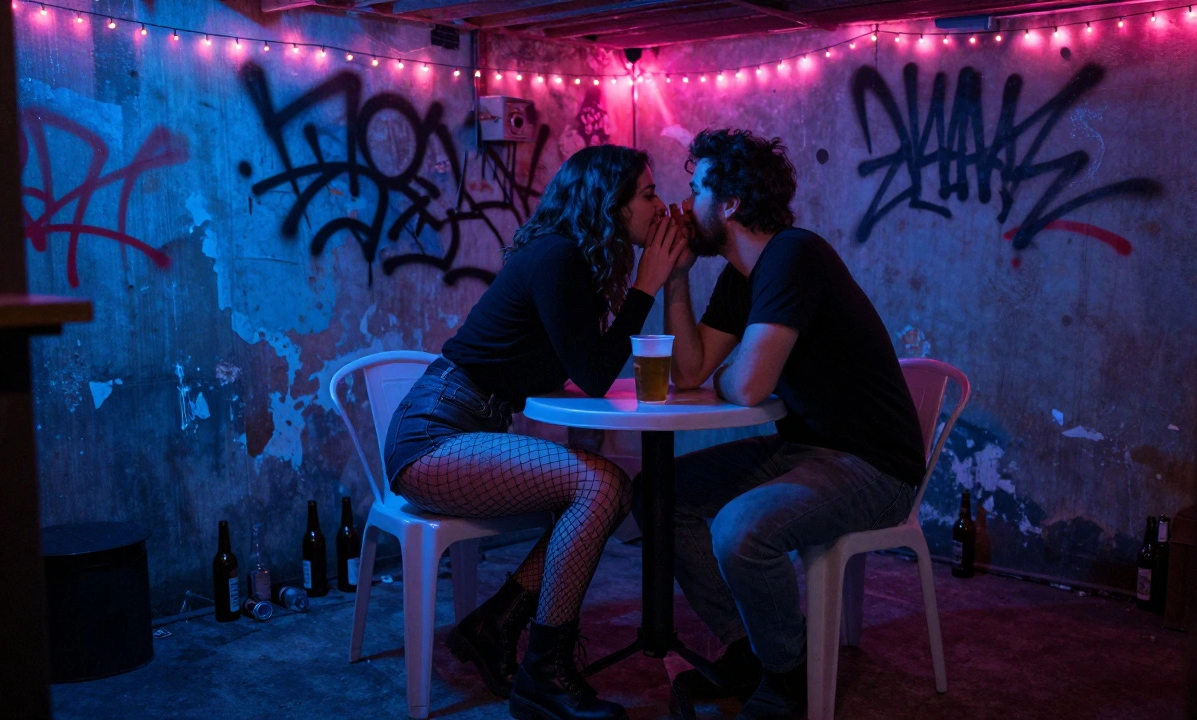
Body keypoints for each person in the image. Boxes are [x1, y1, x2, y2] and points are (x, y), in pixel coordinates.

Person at [382, 145, 687, 720]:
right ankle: (544, 672)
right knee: (600, 486)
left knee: (608, 489)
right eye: (647, 194)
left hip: (466, 424)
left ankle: (496, 624)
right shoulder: (558, 257)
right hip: (432, 436)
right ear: (611, 203)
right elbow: (596, 375)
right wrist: (646, 286)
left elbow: (582, 363)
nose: (658, 204)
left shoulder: (572, 259)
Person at [651, 129, 926, 720]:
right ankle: (750, 651)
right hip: (804, 450)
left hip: (873, 468)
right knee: (658, 494)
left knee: (739, 530)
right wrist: (674, 277)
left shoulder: (794, 255)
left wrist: (732, 373)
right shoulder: (737, 277)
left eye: (695, 187)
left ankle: (787, 674)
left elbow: (745, 384)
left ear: (730, 203)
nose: (684, 201)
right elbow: (692, 369)